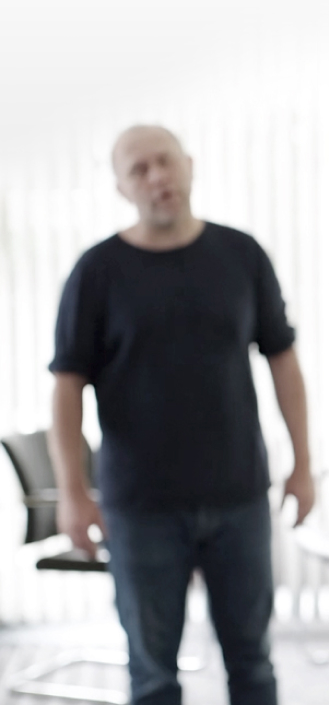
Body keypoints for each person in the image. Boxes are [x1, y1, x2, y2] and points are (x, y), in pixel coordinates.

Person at [47, 124, 314, 705]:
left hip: (239, 496)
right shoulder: (97, 272)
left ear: (188, 165)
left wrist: (303, 464)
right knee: (153, 676)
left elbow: (283, 361)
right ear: (121, 188)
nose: (157, 177)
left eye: (164, 161)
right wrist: (72, 492)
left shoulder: (242, 255)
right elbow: (66, 388)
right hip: (140, 506)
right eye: (139, 169)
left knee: (253, 664)